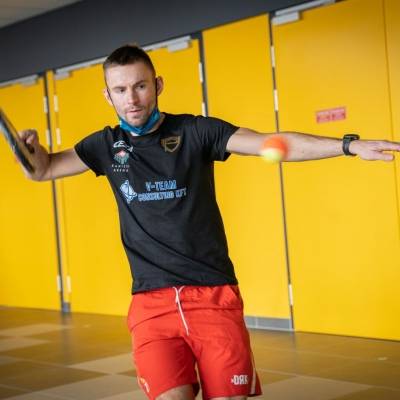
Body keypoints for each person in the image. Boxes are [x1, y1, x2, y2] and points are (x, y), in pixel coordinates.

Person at [18, 45, 400, 400]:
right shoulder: (104, 145)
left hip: (213, 296)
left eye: (140, 86)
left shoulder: (195, 132)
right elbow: (43, 169)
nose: (131, 98)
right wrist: (29, 153)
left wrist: (348, 145)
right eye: (120, 90)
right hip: (151, 304)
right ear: (108, 95)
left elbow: (272, 144)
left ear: (158, 85)